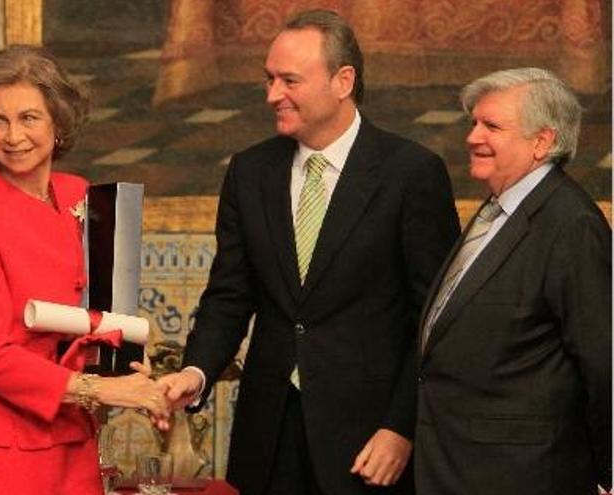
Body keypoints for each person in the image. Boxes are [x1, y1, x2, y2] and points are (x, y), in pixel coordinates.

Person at [157, 9, 460, 495]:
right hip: (269, 436)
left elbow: (435, 321)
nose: (272, 94)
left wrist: (402, 427)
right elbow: (230, 295)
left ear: (343, 81)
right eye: (269, 79)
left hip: (370, 443)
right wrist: (196, 372)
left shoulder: (411, 173)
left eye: (289, 80)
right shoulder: (249, 172)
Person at [0, 44, 169, 495]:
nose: (12, 136)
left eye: (29, 118)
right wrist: (106, 392)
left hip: (70, 430)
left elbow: (103, 317)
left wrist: (133, 375)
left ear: (58, 122)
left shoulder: (83, 195)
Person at [414, 68, 612, 495]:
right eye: (474, 123)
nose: (472, 137)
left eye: (492, 126)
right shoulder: (494, 209)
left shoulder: (571, 224)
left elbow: (603, 361)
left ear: (541, 142)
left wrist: (608, 472)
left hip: (523, 475)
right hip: (457, 465)